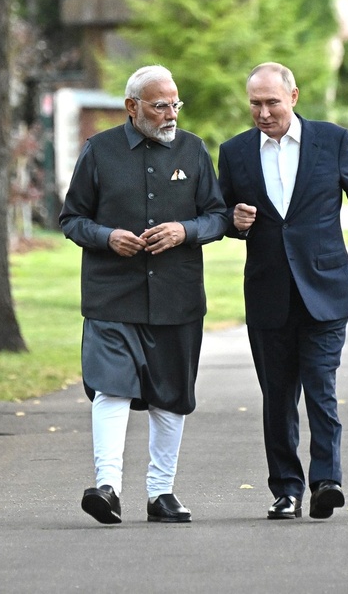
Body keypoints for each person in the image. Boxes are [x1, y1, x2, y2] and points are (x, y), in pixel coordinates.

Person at [217, 62, 348, 521]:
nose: (263, 112)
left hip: (324, 288)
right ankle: (287, 489)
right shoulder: (235, 152)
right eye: (255, 104)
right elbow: (218, 212)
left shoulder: (331, 140)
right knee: (278, 397)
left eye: (272, 103)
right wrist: (232, 222)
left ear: (294, 97)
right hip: (268, 293)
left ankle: (326, 481)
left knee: (321, 388)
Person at [59, 65, 229, 525]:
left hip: (176, 296)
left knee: (171, 395)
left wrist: (185, 230)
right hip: (112, 295)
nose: (171, 113)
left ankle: (161, 494)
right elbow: (72, 218)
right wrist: (107, 236)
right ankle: (107, 487)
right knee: (110, 388)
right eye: (160, 105)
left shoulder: (193, 150)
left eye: (175, 103)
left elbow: (219, 216)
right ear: (132, 107)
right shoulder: (99, 151)